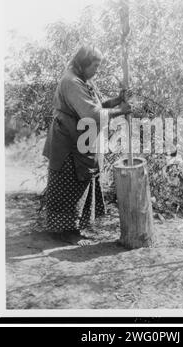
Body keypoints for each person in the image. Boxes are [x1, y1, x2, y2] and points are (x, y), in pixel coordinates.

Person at [42, 45, 132, 245]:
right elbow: (91, 115)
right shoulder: (72, 82)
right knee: (69, 184)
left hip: (78, 139)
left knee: (78, 184)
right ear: (83, 63)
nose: (97, 70)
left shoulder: (81, 80)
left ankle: (70, 229)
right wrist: (121, 111)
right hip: (68, 142)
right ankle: (65, 232)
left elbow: (96, 107)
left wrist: (117, 101)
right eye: (95, 65)